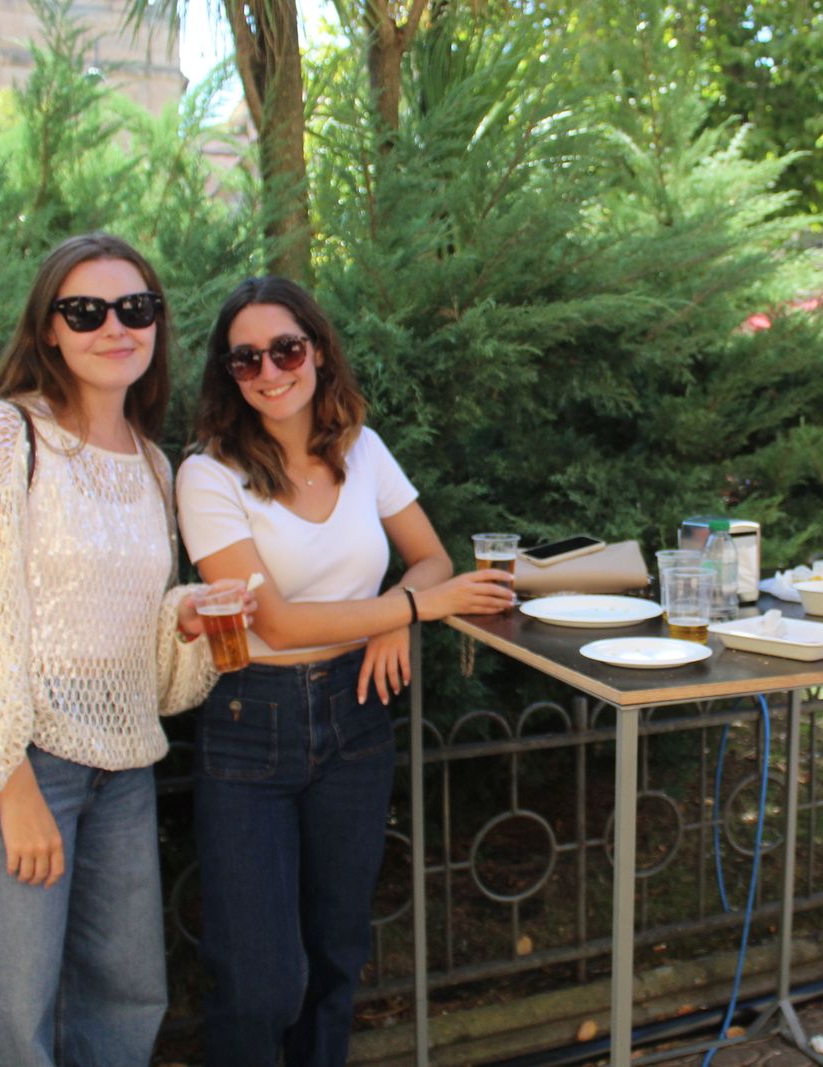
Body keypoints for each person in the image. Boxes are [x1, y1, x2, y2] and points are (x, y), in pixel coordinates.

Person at [0, 233, 247, 1067]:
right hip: (9, 766)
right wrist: (9, 780)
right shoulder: (2, 432)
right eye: (86, 311)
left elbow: (124, 650)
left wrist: (182, 620)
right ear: (49, 328)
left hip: (120, 770)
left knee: (125, 1002)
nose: (115, 327)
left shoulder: (156, 466)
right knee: (11, 1028)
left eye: (137, 308)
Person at [175, 276, 513, 1066]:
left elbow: (429, 558)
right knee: (260, 980)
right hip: (250, 723)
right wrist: (411, 611)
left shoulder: (360, 446)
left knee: (334, 959)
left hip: (355, 713)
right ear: (230, 375)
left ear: (318, 352)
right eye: (246, 359)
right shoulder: (209, 473)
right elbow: (278, 620)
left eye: (286, 349)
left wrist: (398, 608)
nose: (269, 371)